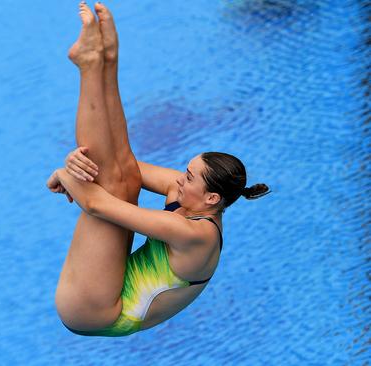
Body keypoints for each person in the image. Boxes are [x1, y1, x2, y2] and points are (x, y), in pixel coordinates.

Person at [46, 1, 270, 337]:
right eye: (186, 169)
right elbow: (126, 164)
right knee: (124, 175)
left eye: (189, 176)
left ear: (211, 198)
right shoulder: (192, 196)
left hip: (95, 311)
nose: (179, 178)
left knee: (113, 186)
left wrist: (65, 173)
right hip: (109, 285)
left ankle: (90, 65)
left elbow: (95, 203)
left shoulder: (196, 235)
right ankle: (105, 60)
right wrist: (72, 162)